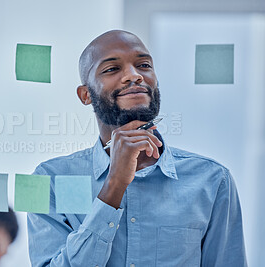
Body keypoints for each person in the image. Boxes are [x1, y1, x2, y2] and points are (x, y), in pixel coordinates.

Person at [27, 30, 247, 266]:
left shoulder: (212, 180)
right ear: (85, 95)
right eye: (112, 69)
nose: (134, 76)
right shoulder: (48, 180)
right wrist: (114, 186)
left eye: (143, 65)